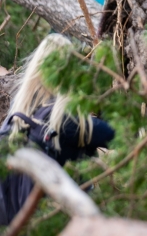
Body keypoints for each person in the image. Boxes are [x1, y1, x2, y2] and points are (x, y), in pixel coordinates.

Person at [0, 34, 115, 225]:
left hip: (14, 226)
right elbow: (122, 135)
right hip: (60, 226)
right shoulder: (67, 121)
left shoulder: (18, 115)